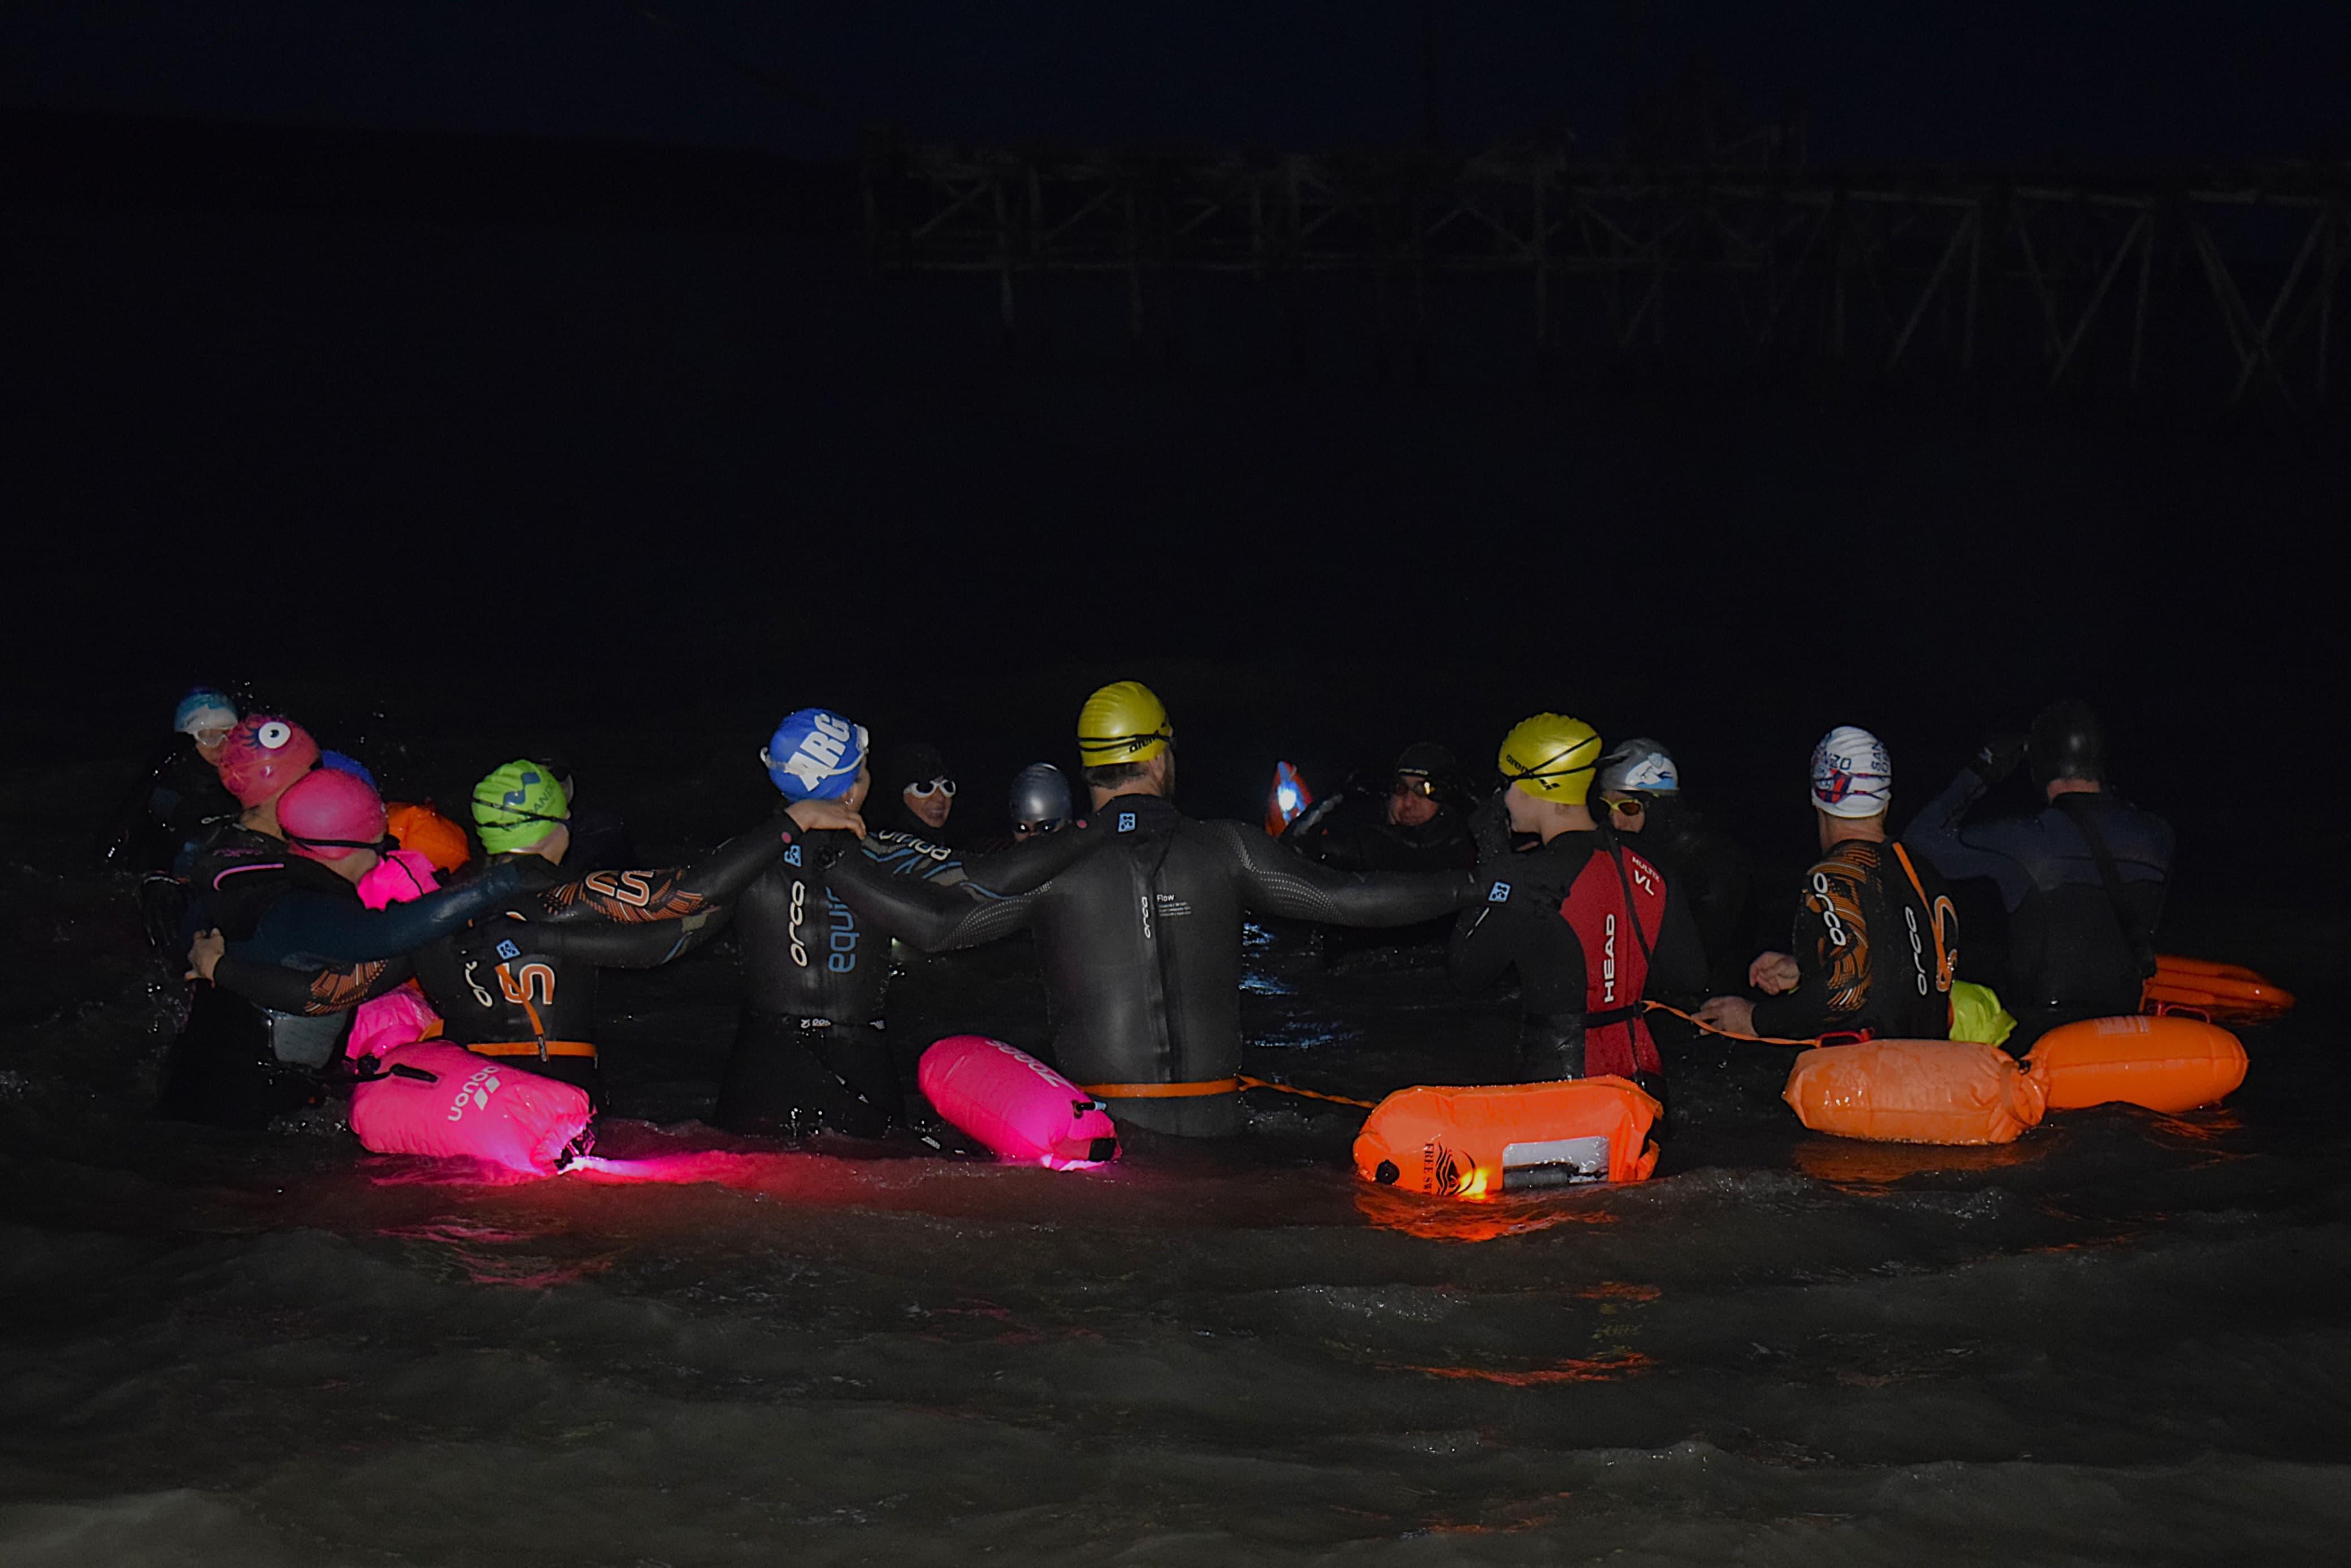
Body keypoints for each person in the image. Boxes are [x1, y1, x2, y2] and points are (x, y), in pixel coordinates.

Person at [818, 681, 1481, 1138]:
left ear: (1088, 771)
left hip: (1107, 1134)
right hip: (1222, 1130)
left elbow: (937, 927)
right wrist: (1477, 886)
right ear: (1162, 757)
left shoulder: (1054, 864)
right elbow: (1349, 901)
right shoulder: (1230, 848)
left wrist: (832, 859)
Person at [715, 711, 1100, 1139]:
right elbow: (986, 878)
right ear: (848, 790)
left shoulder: (735, 862)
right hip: (859, 1067)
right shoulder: (884, 852)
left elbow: (660, 932)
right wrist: (1093, 830)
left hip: (758, 1075)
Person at [169, 767, 540, 1128]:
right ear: (347, 848)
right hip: (248, 1112)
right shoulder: (306, 911)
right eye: (382, 846)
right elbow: (388, 937)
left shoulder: (245, 881)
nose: (383, 858)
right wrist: (500, 882)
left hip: (192, 1083)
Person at [1448, 715, 1706, 1105]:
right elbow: (1689, 975)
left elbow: (1467, 972)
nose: (1502, 798)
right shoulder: (1649, 861)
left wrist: (1492, 861)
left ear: (1540, 786)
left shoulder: (1530, 877)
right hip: (1643, 1083)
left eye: (1507, 784)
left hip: (1560, 1088)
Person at [1906, 699, 2171, 1047]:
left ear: (2039, 767)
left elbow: (1919, 841)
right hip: (2123, 1027)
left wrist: (1982, 771)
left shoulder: (2026, 841)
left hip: (2041, 1036)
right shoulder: (2157, 835)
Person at [1695, 726, 1957, 1044]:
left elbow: (1847, 991)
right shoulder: (1921, 871)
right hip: (1931, 1072)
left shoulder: (1835, 875)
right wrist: (1809, 968)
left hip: (1869, 1081)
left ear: (1818, 797)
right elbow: (1908, 976)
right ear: (1885, 802)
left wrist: (1755, 1018)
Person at [1592, 736, 1757, 995]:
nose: (1616, 822)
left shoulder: (1710, 863)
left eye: (1629, 808)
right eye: (1608, 807)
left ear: (1659, 809)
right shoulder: (1610, 846)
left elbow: (1703, 956)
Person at [109, 688, 245, 953]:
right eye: (208, 736)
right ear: (187, 742)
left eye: (229, 733)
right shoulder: (170, 790)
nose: (221, 745)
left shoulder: (244, 777)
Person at [1282, 742, 1476, 875]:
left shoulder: (1469, 851)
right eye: (1401, 789)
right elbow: (1289, 857)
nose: (1408, 803)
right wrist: (1336, 799)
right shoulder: (1368, 846)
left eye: (1423, 790)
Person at [871, 740, 958, 844]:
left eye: (947, 787)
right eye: (925, 788)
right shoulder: (878, 849)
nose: (940, 798)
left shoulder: (964, 847)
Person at [1009, 763, 1074, 839]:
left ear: (1067, 823)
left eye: (1046, 828)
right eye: (1022, 828)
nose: (1032, 838)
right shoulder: (1000, 850)